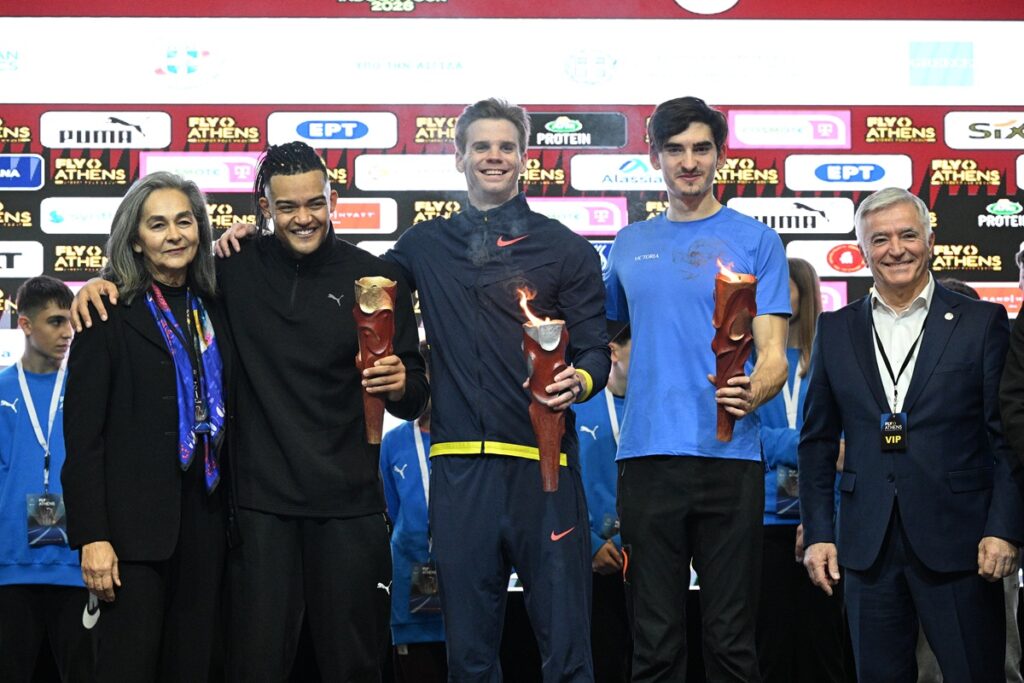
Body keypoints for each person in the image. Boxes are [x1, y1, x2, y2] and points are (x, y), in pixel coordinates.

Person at [217, 100, 609, 682]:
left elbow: (596, 350)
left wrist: (582, 380)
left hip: (544, 470)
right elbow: (345, 273)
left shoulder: (567, 248)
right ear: (459, 157)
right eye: (481, 146)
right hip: (458, 472)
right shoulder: (421, 246)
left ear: (526, 157)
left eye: (506, 146)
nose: (494, 157)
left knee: (568, 654)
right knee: (468, 659)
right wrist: (250, 236)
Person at [71, 143, 429, 682]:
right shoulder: (231, 269)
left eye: (315, 203)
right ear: (264, 207)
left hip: (349, 508)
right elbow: (156, 285)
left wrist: (403, 386)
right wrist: (105, 283)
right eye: (287, 206)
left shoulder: (374, 279)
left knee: (354, 666)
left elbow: (416, 392)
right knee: (252, 668)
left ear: (333, 199)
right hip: (258, 513)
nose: (304, 217)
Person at [800, 187, 1024, 682]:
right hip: (867, 548)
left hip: (964, 544)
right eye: (880, 239)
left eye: (907, 235)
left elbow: (1005, 436)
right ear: (862, 250)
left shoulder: (981, 322)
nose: (896, 250)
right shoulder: (835, 329)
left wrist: (1005, 527)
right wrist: (818, 533)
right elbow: (816, 444)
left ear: (930, 240)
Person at [603, 95, 790, 682]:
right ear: (654, 158)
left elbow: (774, 357)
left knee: (731, 640)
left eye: (701, 149)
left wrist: (755, 390)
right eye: (675, 149)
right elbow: (602, 340)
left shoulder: (757, 241)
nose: (689, 162)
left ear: (720, 155)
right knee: (654, 643)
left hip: (730, 457)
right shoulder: (627, 244)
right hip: (646, 459)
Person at [62, 172, 232, 681]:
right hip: (130, 539)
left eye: (185, 221)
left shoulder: (219, 307)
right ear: (135, 239)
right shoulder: (106, 312)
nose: (174, 235)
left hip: (209, 526)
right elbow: (83, 440)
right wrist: (93, 536)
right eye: (158, 225)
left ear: (200, 230)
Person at [755, 258, 848, 683]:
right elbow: (747, 439)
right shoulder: (748, 362)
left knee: (823, 647)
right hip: (762, 522)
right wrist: (812, 447)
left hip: (825, 521)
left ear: (804, 292)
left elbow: (848, 446)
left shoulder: (834, 359)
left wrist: (820, 516)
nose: (769, 297)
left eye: (781, 287)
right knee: (769, 647)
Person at [0, 276, 91, 682]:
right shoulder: (2, 389)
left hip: (75, 566)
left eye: (70, 321)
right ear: (24, 324)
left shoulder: (86, 388)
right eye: (55, 322)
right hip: (9, 566)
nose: (67, 332)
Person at [380, 340, 446, 683]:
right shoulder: (392, 442)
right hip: (412, 581)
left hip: (459, 587)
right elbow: (392, 510)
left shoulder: (459, 438)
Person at [573, 320, 632, 682]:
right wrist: (591, 544)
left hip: (641, 555)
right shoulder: (577, 406)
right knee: (601, 660)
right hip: (590, 559)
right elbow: (562, 487)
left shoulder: (653, 405)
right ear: (614, 352)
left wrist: (629, 540)